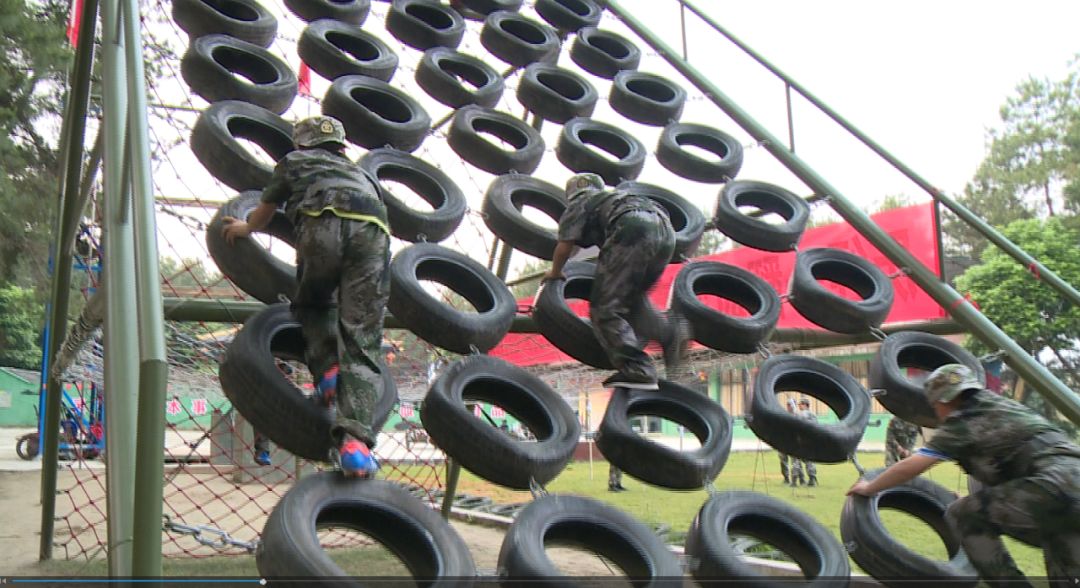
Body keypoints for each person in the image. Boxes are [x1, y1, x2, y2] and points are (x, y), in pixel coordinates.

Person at [223, 115, 390, 479]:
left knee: (314, 303)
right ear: (341, 146)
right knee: (362, 336)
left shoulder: (294, 162)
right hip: (374, 232)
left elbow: (266, 210)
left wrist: (246, 226)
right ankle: (356, 445)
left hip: (322, 223)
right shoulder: (361, 172)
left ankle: (328, 370)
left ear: (302, 143)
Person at [847, 364, 1080, 586]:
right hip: (1067, 482)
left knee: (962, 515)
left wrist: (870, 487)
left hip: (1054, 485)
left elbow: (913, 465)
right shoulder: (1002, 406)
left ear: (940, 401)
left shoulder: (961, 423)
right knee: (1060, 547)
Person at [543, 173, 689, 390]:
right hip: (665, 232)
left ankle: (638, 370)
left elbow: (565, 246)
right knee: (631, 301)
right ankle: (670, 332)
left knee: (604, 308)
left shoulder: (578, 204)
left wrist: (555, 271)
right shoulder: (615, 198)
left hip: (631, 229)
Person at [793, 397, 818, 487]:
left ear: (805, 405)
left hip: (800, 441)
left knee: (797, 460)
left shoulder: (800, 414)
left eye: (800, 404)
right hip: (810, 441)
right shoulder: (813, 415)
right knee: (809, 461)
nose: (799, 406)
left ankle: (794, 481)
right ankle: (812, 479)